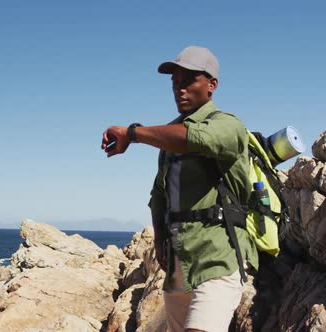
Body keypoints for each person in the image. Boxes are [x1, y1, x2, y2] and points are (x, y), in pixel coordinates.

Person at [101, 46, 258, 332]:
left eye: (188, 81)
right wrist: (160, 238)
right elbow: (158, 195)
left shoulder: (227, 124)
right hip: (178, 265)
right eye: (175, 83)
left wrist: (133, 134)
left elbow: (194, 138)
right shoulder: (169, 136)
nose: (179, 89)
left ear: (211, 85)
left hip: (217, 257)